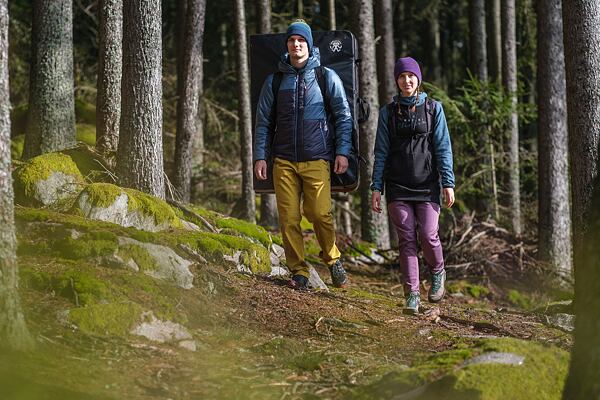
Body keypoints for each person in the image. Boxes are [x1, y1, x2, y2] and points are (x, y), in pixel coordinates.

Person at [253, 20, 353, 290]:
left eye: (301, 40)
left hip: (317, 157)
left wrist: (343, 152)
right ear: (286, 45)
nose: (296, 44)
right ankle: (299, 270)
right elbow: (263, 122)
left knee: (320, 214)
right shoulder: (274, 81)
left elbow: (344, 116)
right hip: (283, 160)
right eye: (291, 40)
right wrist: (260, 156)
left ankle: (332, 259)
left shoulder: (325, 76)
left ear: (309, 45)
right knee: (289, 220)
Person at [371, 57, 455, 314]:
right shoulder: (388, 113)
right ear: (396, 81)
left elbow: (443, 147)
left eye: (410, 76)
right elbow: (381, 152)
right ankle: (412, 295)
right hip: (397, 187)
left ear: (418, 79)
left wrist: (448, 182)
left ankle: (438, 272)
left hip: (427, 185)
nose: (406, 81)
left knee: (429, 235)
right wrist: (376, 187)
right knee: (406, 239)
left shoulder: (433, 108)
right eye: (401, 77)